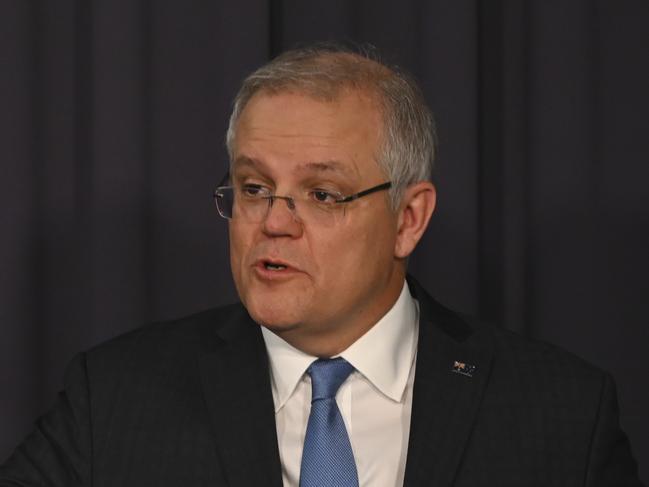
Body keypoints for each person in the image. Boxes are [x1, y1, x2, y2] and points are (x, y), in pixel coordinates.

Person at [0, 44, 643, 487]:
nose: (274, 221)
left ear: (407, 219)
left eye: (323, 195)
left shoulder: (562, 414)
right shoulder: (113, 397)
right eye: (254, 188)